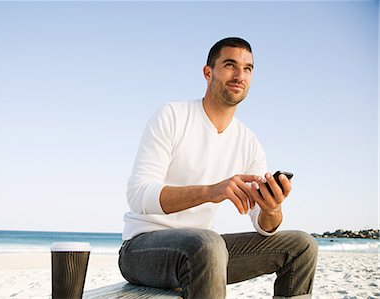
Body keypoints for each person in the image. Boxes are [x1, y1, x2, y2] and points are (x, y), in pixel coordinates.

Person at [118, 37, 318, 299]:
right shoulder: (173, 115)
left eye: (247, 68)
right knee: (208, 244)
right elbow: (138, 195)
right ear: (208, 72)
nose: (239, 75)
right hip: (142, 249)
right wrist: (210, 191)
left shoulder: (249, 142)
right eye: (230, 65)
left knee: (303, 246)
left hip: (205, 252)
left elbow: (263, 224)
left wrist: (272, 208)